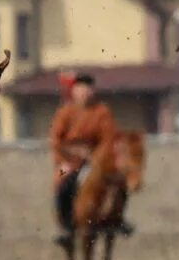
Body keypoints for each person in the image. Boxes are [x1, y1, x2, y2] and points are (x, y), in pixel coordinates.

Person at [47, 72, 129, 245]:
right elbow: (55, 141)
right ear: (74, 91)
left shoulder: (102, 112)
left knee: (119, 181)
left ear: (93, 91)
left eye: (88, 89)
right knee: (61, 184)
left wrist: (95, 158)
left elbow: (108, 140)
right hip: (67, 162)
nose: (84, 93)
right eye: (81, 89)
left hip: (95, 160)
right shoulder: (65, 112)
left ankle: (117, 219)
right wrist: (65, 159)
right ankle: (65, 226)